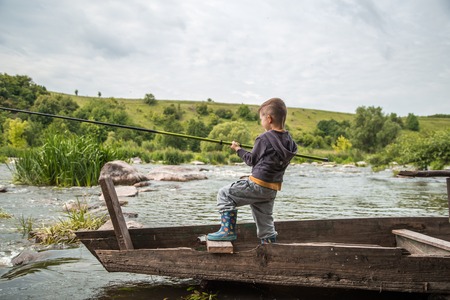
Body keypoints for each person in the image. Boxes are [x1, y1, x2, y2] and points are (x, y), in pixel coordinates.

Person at [207, 98, 298, 244]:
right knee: (265, 219)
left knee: (224, 194)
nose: (261, 122)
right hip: (271, 188)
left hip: (257, 184)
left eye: (261, 118)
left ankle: (227, 231)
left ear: (269, 118)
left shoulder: (264, 138)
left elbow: (251, 160)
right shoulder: (290, 142)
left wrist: (238, 149)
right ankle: (269, 245)